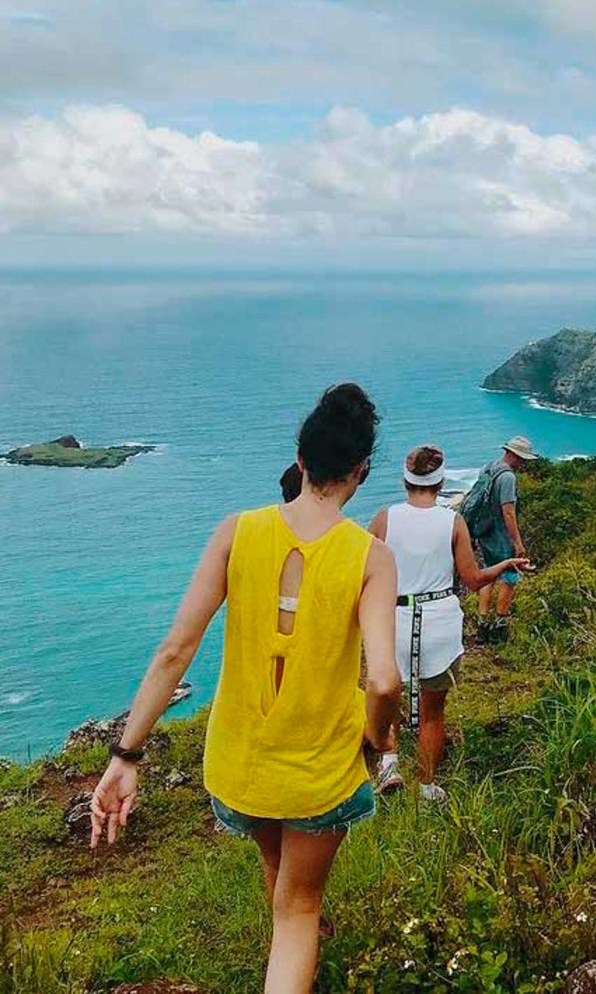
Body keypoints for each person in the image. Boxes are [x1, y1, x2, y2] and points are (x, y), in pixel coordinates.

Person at [89, 383, 401, 994]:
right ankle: (299, 949)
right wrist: (379, 737)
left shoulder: (237, 530)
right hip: (319, 769)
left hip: (240, 765)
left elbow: (175, 650)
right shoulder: (371, 556)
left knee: (279, 869)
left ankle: (303, 948)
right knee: (299, 909)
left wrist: (125, 756)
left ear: (301, 458)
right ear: (361, 470)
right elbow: (385, 678)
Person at [368, 445, 528, 802]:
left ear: (404, 481)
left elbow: (364, 574)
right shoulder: (452, 522)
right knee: (432, 712)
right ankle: (426, 785)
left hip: (395, 619)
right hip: (439, 621)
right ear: (440, 483)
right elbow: (472, 580)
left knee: (390, 697)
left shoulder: (384, 518)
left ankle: (390, 765)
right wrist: (504, 565)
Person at [473, 435, 538, 643]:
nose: (523, 463)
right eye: (522, 458)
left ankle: (482, 625)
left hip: (484, 531)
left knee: (488, 575)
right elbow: (508, 512)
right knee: (509, 577)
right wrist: (517, 543)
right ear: (515, 456)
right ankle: (499, 626)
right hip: (501, 534)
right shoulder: (508, 477)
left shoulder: (489, 467)